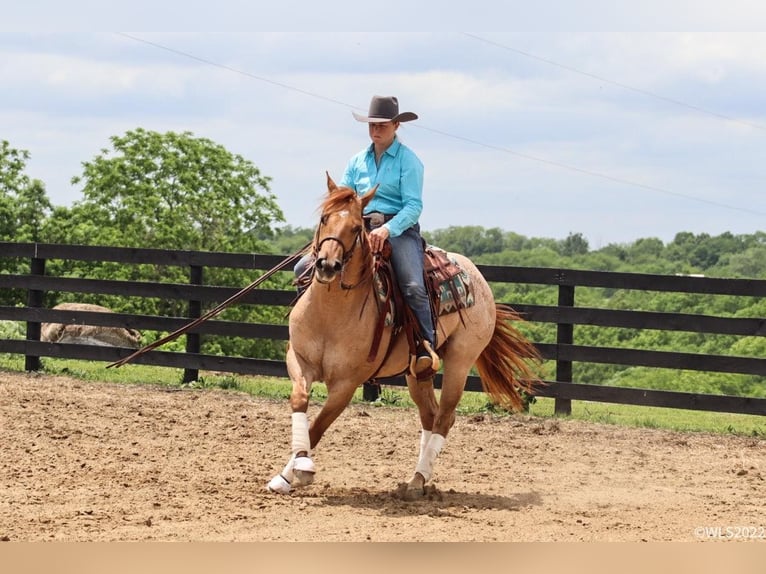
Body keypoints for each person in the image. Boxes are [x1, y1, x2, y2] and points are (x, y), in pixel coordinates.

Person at [296, 95, 438, 376]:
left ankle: (425, 346)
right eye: (372, 125)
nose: (376, 130)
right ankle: (309, 330)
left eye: (383, 125)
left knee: (411, 283)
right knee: (302, 268)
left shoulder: (409, 162)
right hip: (356, 229)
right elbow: (344, 198)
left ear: (396, 126)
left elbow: (413, 206)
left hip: (398, 230)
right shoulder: (357, 161)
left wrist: (387, 229)